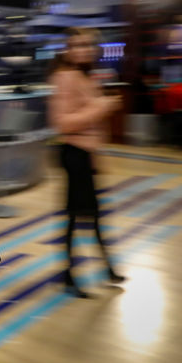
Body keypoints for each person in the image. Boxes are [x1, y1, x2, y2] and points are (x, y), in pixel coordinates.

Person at [47, 27, 126, 298]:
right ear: (68, 51)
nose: (84, 50)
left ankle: (90, 271)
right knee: (83, 215)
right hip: (73, 154)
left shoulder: (85, 77)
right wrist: (101, 107)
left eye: (88, 45)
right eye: (77, 45)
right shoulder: (64, 78)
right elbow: (63, 123)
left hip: (84, 155)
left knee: (86, 215)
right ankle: (87, 271)